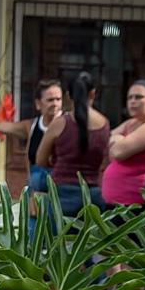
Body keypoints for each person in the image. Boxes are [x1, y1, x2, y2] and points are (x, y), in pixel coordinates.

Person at [36, 72, 110, 217]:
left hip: (62, 196)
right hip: (93, 195)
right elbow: (105, 159)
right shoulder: (105, 124)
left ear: (69, 96)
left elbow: (40, 160)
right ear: (93, 94)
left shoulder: (60, 123)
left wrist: (55, 159)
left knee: (59, 239)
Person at [0, 79, 63, 192]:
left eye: (58, 99)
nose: (55, 104)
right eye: (50, 100)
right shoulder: (31, 126)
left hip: (61, 186)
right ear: (38, 104)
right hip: (36, 188)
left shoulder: (70, 124)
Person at [103, 80, 145, 211]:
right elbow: (101, 142)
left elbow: (118, 152)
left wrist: (116, 140)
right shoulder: (131, 123)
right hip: (116, 204)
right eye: (129, 98)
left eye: (138, 97)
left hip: (133, 206)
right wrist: (118, 139)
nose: (133, 101)